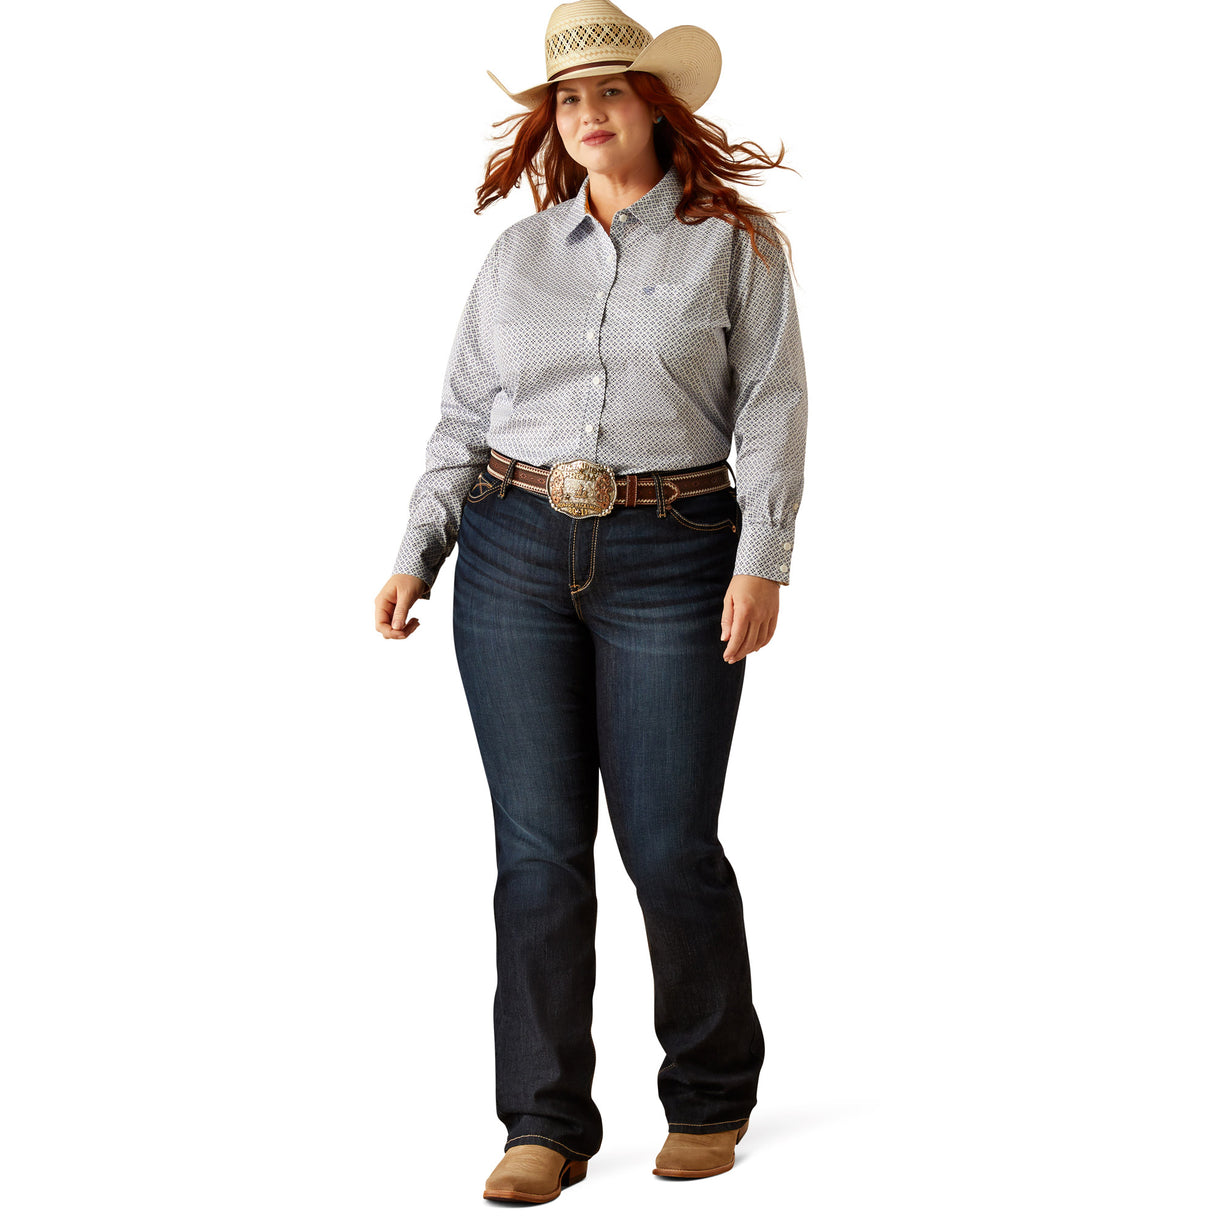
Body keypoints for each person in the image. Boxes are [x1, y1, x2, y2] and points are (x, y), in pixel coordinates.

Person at [374, 0, 807, 1204]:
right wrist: (420, 545)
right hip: (509, 554)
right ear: (554, 122)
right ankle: (545, 1121)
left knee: (669, 845)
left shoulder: (736, 246)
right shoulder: (517, 258)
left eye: (610, 93)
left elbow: (771, 410)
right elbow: (464, 416)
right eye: (570, 99)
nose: (589, 114)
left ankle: (712, 1093)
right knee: (536, 855)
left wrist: (762, 558)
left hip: (675, 557)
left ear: (656, 108)